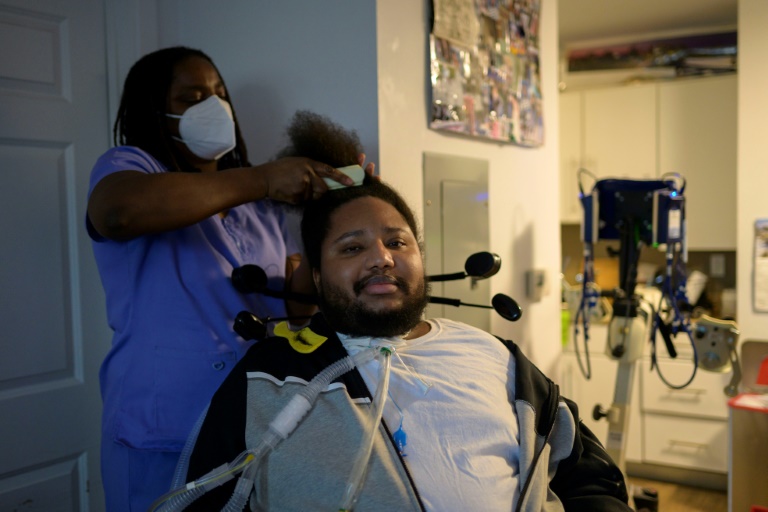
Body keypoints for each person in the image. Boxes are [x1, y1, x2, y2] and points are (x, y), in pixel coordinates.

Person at [178, 179, 633, 511]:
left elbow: (589, 478)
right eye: (353, 248)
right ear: (316, 275)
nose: (382, 258)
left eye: (397, 241)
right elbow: (202, 499)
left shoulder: (494, 356)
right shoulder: (272, 380)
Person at [86, 46, 372, 511]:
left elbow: (292, 312)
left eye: (219, 94)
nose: (213, 108)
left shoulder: (260, 207)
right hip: (165, 426)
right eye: (192, 96)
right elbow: (116, 213)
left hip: (256, 419)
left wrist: (335, 213)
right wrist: (260, 179)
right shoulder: (129, 168)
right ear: (153, 109)